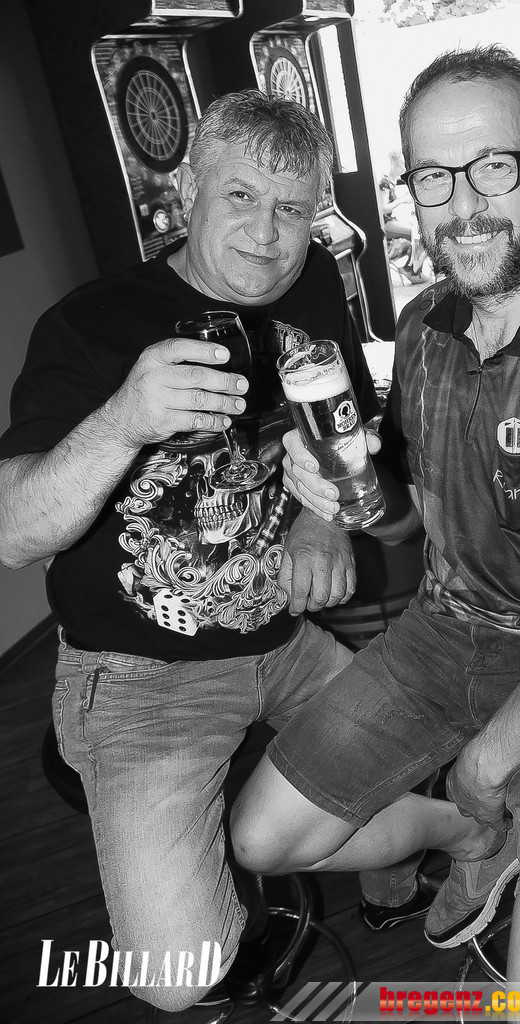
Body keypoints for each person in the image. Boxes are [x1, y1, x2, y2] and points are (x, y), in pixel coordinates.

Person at [231, 46, 520, 1014]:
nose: (462, 204)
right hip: (446, 627)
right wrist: (355, 499)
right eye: (432, 176)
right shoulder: (426, 323)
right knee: (262, 840)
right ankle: (474, 840)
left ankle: (517, 834)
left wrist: (481, 765)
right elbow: (416, 523)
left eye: (492, 165)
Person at [0, 90, 429, 1013]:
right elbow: (13, 534)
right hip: (141, 672)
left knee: (417, 755)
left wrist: (319, 522)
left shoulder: (311, 284)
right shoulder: (87, 327)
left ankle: (423, 866)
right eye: (240, 196)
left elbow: (340, 432)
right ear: (187, 189)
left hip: (282, 635)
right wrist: (124, 420)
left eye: (291, 209)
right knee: (174, 978)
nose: (267, 236)